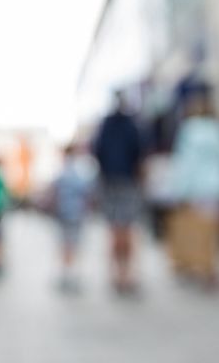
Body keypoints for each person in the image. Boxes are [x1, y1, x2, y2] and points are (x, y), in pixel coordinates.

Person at [164, 93, 219, 291]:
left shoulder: (188, 129)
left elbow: (185, 162)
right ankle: (212, 267)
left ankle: (195, 264)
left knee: (194, 228)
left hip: (195, 188)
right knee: (214, 230)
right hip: (217, 186)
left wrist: (180, 190)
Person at [91, 92, 147, 294]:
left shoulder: (105, 125)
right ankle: (127, 274)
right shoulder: (132, 124)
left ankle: (116, 274)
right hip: (128, 181)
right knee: (128, 228)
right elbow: (139, 150)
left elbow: (97, 150)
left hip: (110, 181)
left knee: (114, 228)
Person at [50, 144, 93, 291]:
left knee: (65, 244)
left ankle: (67, 274)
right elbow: (87, 193)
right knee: (75, 244)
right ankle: (73, 274)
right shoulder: (81, 172)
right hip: (76, 213)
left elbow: (54, 191)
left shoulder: (62, 172)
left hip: (64, 213)